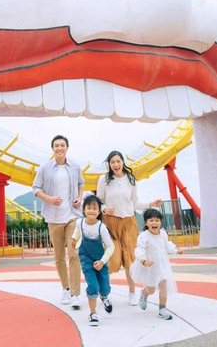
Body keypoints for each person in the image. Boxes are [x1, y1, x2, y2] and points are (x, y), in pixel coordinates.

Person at [96, 150, 162, 306]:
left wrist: (150, 204)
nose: (116, 165)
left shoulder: (130, 179)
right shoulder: (104, 180)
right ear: (109, 164)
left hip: (128, 222)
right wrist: (104, 209)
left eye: (118, 161)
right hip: (110, 223)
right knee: (111, 258)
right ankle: (104, 292)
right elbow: (98, 201)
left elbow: (135, 203)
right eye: (113, 162)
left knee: (130, 259)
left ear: (123, 162)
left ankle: (132, 293)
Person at [33, 134, 84, 309]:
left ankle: (75, 294)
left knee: (74, 253)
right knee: (59, 257)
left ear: (67, 148)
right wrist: (49, 199)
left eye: (62, 145)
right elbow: (36, 188)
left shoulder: (75, 167)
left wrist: (79, 197)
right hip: (53, 218)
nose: (59, 148)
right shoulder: (44, 168)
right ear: (53, 148)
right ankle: (65, 288)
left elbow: (81, 184)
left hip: (72, 216)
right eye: (56, 145)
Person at [130, 208, 184, 320]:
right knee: (151, 289)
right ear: (146, 223)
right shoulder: (144, 236)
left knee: (164, 285)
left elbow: (167, 245)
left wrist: (175, 250)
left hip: (162, 265)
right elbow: (140, 250)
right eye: (151, 220)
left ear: (160, 222)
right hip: (150, 267)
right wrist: (144, 260)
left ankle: (162, 309)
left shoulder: (163, 234)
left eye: (157, 220)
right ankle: (144, 294)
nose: (154, 223)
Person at [71, 195, 115, 326]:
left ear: (99, 211)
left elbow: (111, 246)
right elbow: (77, 232)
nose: (91, 210)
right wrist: (73, 239)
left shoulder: (101, 228)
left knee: (105, 287)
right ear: (83, 210)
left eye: (95, 208)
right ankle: (93, 313)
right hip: (86, 259)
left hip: (100, 260)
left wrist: (102, 261)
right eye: (88, 208)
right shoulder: (79, 223)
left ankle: (105, 296)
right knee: (93, 286)